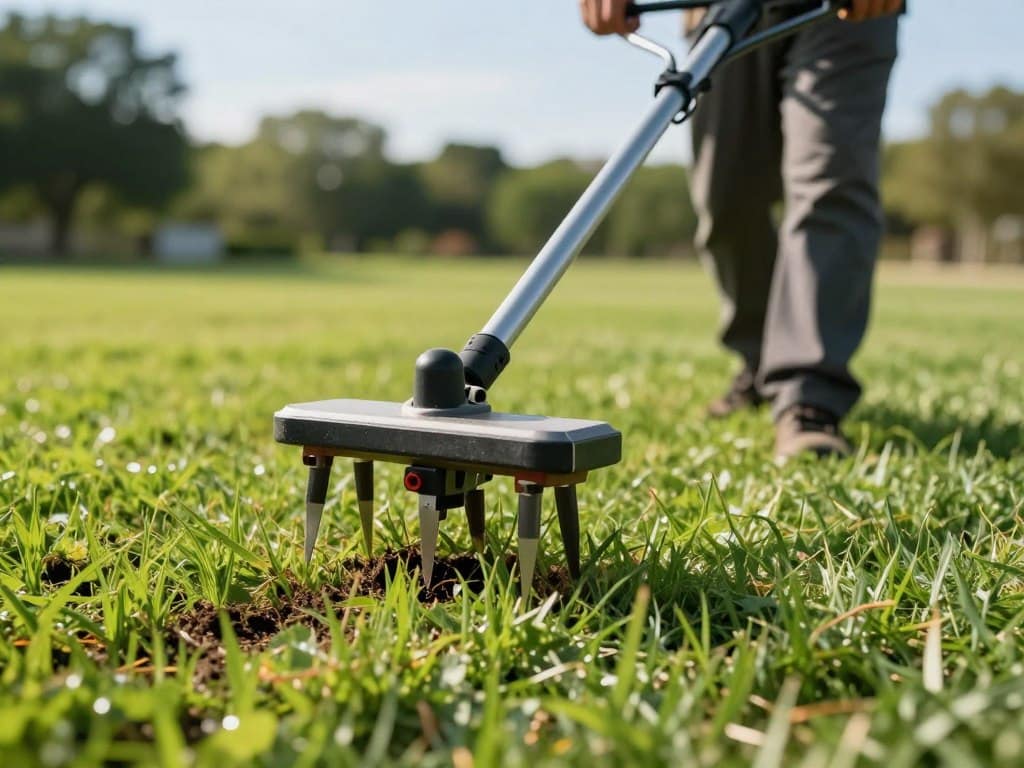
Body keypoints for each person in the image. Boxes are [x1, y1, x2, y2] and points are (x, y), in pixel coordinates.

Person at [579, 0, 902, 458]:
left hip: (841, 15)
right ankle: (760, 362)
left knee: (829, 182)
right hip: (722, 9)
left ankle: (808, 395)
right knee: (725, 197)